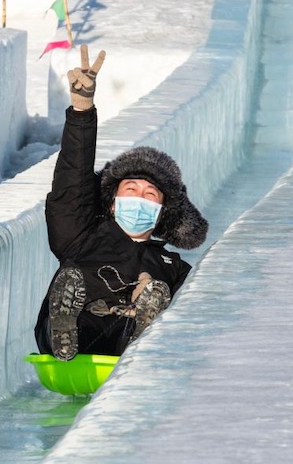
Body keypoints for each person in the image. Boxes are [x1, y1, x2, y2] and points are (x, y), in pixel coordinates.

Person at [34, 45, 208, 361]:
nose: (140, 197)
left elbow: (197, 318)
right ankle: (64, 326)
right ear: (113, 202)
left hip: (125, 339)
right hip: (81, 330)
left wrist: (151, 294)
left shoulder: (174, 267)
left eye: (150, 194)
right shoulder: (81, 236)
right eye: (131, 188)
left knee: (153, 299)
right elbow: (72, 183)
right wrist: (82, 111)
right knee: (79, 312)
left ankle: (143, 326)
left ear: (162, 212)